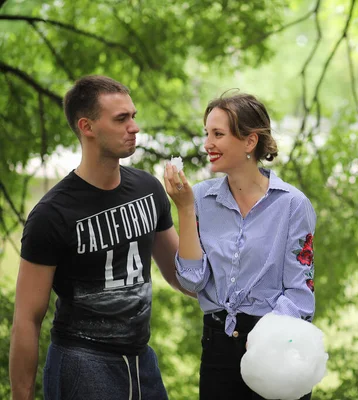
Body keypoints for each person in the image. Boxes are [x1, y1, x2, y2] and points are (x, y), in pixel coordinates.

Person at [9, 75, 192, 400]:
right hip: (81, 363)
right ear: (87, 126)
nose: (134, 127)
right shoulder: (52, 214)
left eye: (133, 116)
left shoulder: (148, 190)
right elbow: (27, 319)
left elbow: (183, 276)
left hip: (142, 361)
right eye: (121, 119)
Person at [164, 92, 316, 399]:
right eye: (207, 133)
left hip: (276, 350)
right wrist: (184, 208)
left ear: (250, 142)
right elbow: (192, 281)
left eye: (218, 134)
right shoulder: (200, 199)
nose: (208, 143)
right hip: (217, 349)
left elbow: (301, 296)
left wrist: (263, 339)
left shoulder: (292, 205)